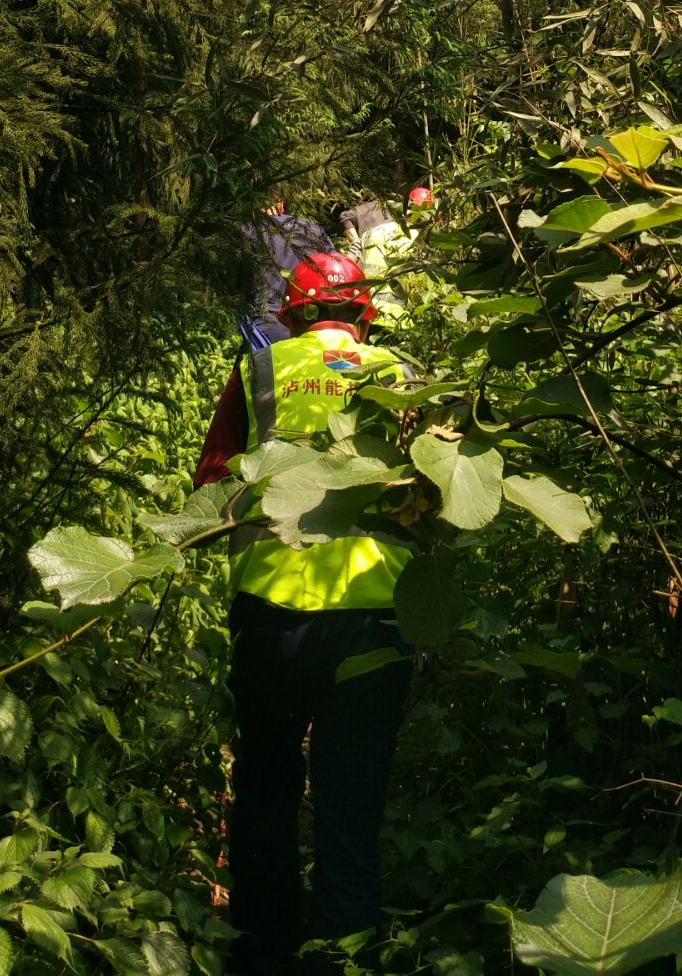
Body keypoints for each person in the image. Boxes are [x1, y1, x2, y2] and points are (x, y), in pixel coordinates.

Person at [195, 250, 413, 976]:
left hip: (273, 613)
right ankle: (344, 962)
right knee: (352, 814)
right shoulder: (403, 374)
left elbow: (213, 480)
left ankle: (262, 954)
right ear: (363, 313)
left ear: (293, 313)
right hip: (376, 620)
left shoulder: (262, 369)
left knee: (265, 791)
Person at [239, 184, 335, 349]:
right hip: (312, 319)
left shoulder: (248, 231)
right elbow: (335, 270)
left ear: (256, 207)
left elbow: (238, 285)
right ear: (281, 205)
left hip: (267, 323)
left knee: (266, 365)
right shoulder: (313, 230)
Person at [341, 188, 436, 326]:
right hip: (396, 314)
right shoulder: (417, 240)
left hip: (363, 307)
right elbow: (417, 284)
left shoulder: (375, 231)